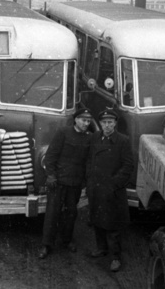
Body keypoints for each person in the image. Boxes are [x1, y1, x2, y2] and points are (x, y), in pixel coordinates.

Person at [38, 108, 93, 259]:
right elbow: (50, 156)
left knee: (71, 213)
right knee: (52, 213)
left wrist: (84, 181)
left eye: (88, 121)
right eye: (83, 120)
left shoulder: (89, 138)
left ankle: (67, 240)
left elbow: (88, 161)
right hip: (57, 182)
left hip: (75, 183)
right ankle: (46, 244)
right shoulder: (63, 132)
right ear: (75, 120)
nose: (86, 123)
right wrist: (50, 175)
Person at [87, 109, 133, 272]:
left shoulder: (123, 141)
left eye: (110, 122)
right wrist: (90, 180)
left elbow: (127, 166)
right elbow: (89, 159)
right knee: (97, 219)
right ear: (100, 124)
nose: (107, 126)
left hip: (112, 189)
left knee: (113, 225)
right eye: (104, 122)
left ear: (115, 124)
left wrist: (114, 184)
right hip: (96, 187)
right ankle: (101, 248)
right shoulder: (95, 138)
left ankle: (115, 257)